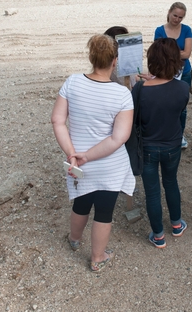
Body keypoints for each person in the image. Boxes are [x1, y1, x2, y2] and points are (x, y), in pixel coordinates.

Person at [51, 34, 135, 272]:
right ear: (115, 61)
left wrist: (73, 154)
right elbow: (119, 138)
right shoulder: (122, 94)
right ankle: (98, 257)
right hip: (109, 165)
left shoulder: (73, 82)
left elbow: (57, 120)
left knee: (81, 203)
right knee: (104, 212)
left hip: (78, 163)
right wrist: (88, 155)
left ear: (91, 57)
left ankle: (74, 239)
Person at [136, 38, 190, 248]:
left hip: (147, 147)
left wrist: (148, 81)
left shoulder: (140, 90)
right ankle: (176, 224)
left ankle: (158, 235)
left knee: (152, 192)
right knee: (171, 183)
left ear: (151, 61)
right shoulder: (183, 88)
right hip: (172, 145)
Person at [154, 2, 192, 149]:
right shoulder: (159, 30)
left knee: (182, 107)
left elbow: (187, 54)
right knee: (163, 105)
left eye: (180, 17)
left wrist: (168, 53)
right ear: (169, 12)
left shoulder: (187, 30)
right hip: (165, 73)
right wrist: (178, 53)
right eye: (175, 15)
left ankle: (179, 134)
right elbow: (158, 53)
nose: (176, 19)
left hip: (184, 73)